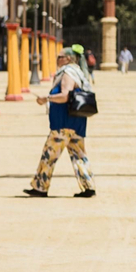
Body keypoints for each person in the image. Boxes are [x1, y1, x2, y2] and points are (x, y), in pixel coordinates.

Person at [26, 48, 96, 198]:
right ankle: (89, 186)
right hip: (77, 121)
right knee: (79, 154)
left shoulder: (68, 73)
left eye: (60, 57)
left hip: (64, 122)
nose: (57, 59)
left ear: (68, 59)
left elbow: (65, 95)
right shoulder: (79, 72)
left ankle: (40, 187)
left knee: (49, 154)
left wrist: (47, 98)